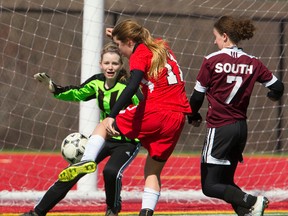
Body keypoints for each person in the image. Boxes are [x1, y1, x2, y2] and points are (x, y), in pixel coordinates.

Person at [57, 19, 192, 216]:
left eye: (120, 46)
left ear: (129, 42)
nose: (119, 51)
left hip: (156, 112)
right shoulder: (161, 46)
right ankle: (145, 213)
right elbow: (139, 41)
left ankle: (86, 160)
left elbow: (132, 85)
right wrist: (117, 36)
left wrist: (112, 115)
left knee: (104, 124)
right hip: (177, 118)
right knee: (152, 172)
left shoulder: (139, 54)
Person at [21, 42, 143, 216]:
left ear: (121, 65)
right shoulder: (97, 82)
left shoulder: (129, 86)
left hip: (127, 142)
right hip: (103, 138)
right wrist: (55, 89)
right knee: (72, 173)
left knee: (111, 172)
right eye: (107, 63)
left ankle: (112, 210)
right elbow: (78, 92)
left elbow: (146, 108)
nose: (110, 67)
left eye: (115, 63)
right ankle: (37, 212)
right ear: (101, 64)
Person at [188, 16, 284, 216]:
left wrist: (193, 115)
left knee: (210, 185)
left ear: (224, 36)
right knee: (226, 181)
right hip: (240, 128)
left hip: (220, 127)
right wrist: (273, 96)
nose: (214, 41)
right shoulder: (253, 62)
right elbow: (277, 87)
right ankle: (248, 212)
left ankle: (253, 200)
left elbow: (197, 97)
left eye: (215, 37)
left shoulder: (211, 61)